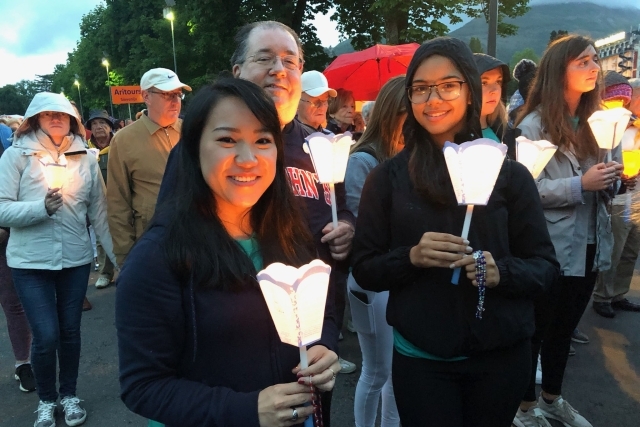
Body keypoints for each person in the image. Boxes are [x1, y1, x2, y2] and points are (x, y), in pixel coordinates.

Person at [351, 36, 559, 427]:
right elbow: (364, 268)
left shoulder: (509, 175)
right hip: (421, 360)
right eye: (420, 88)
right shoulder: (387, 179)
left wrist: (503, 272)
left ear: (469, 90)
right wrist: (410, 257)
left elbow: (545, 268)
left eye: (448, 85)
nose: (433, 99)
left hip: (500, 356)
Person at [157, 20, 357, 423]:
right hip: (229, 353)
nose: (278, 70)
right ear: (237, 73)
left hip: (312, 344)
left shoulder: (318, 146)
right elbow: (169, 242)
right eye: (264, 58)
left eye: (290, 61)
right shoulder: (200, 151)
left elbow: (335, 210)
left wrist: (348, 228)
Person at [116, 78, 340, 427]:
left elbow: (320, 315)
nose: (248, 159)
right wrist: (246, 410)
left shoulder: (289, 234)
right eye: (227, 139)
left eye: (263, 140)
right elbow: (143, 386)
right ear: (193, 149)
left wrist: (324, 348)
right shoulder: (158, 258)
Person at [513, 34, 621, 427]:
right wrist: (580, 185)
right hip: (551, 246)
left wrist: (615, 180)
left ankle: (552, 399)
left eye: (595, 60)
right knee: (537, 330)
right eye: (583, 61)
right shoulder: (533, 125)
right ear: (560, 69)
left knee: (565, 329)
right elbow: (525, 193)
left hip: (592, 239)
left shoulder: (601, 121)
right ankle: (523, 409)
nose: (594, 67)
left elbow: (607, 178)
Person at [0, 92, 117, 427]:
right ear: (36, 118)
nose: (55, 118)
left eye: (62, 114)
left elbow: (99, 213)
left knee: (69, 332)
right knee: (46, 334)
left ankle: (69, 395)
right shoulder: (16, 157)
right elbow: (1, 206)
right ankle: (47, 399)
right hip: (28, 263)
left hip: (75, 259)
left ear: (71, 120)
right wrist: (40, 209)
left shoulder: (84, 157)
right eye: (48, 113)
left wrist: (120, 259)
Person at [345, 75, 406, 427]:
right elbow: (361, 232)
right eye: (406, 114)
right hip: (371, 280)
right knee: (377, 370)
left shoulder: (403, 156)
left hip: (396, 275)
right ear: (390, 114)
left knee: (396, 370)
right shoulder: (364, 161)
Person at [107, 68, 191, 265]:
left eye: (178, 94)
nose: (175, 101)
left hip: (196, 239)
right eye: (167, 94)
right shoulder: (124, 140)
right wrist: (125, 256)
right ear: (146, 96)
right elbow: (117, 202)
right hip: (151, 243)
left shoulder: (191, 130)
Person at [592, 74, 640, 317]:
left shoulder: (634, 123)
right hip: (618, 195)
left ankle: (619, 293)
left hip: (636, 194)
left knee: (631, 247)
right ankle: (603, 295)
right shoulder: (605, 125)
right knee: (615, 247)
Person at [0, 146, 35, 394]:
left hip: (6, 243)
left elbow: (12, 198)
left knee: (15, 304)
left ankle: (24, 363)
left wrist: (6, 227)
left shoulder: (7, 159)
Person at [86, 110, 116, 289]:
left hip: (120, 197)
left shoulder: (120, 144)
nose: (99, 127)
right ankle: (106, 273)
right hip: (98, 201)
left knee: (125, 233)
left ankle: (130, 270)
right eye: (95, 124)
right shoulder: (86, 150)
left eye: (103, 123)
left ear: (110, 126)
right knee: (101, 236)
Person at [473, 53, 510, 143]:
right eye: (484, 83)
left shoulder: (504, 131)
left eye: (498, 81)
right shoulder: (456, 140)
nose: (495, 91)